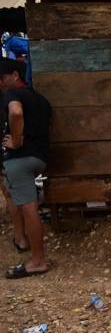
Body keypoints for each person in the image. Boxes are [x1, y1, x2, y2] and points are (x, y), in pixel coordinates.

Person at [1, 58, 51, 279]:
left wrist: (17, 141)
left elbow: (16, 113)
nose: (1, 84)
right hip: (40, 158)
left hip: (19, 159)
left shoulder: (12, 95)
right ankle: (30, 249)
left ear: (14, 76)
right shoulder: (41, 99)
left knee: (29, 209)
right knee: (27, 204)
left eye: (2, 78)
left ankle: (37, 261)